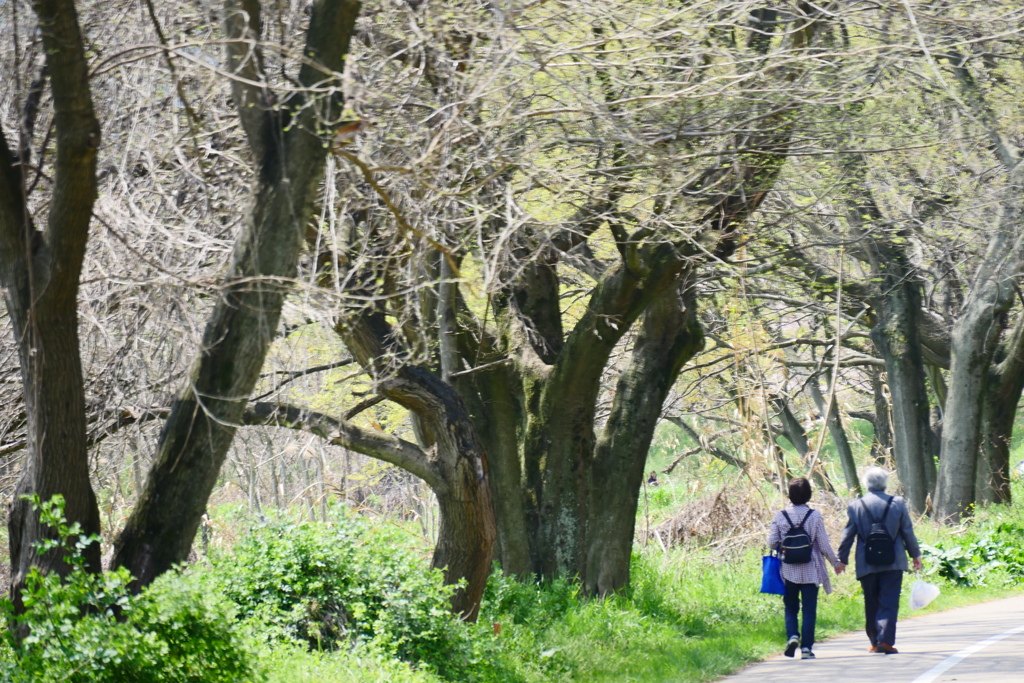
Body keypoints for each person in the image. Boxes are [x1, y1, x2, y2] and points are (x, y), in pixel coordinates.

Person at [837, 466, 922, 655]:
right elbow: (907, 531)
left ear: (866, 484)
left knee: (871, 601)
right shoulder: (897, 503)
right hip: (894, 561)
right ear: (885, 484)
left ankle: (875, 642)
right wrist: (915, 555)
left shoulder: (856, 506)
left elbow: (847, 535)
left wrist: (841, 560)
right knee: (889, 601)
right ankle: (886, 641)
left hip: (866, 563)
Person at [767, 477, 843, 660]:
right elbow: (824, 544)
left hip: (788, 570)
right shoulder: (814, 516)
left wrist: (782, 547)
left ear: (789, 495)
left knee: (791, 607)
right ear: (808, 494)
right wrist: (836, 563)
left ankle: (793, 635)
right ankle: (807, 648)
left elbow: (771, 542)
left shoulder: (780, 516)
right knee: (809, 610)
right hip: (811, 570)